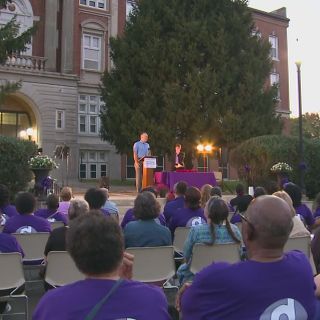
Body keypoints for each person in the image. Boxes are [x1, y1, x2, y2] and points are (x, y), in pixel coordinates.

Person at [178, 195, 317, 319]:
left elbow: (188, 309)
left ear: (248, 231)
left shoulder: (216, 277)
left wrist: (189, 294)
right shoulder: (302, 265)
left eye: (245, 219)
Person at [33, 212, 170, 320]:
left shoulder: (52, 304)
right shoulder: (154, 299)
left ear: (73, 256)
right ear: (121, 250)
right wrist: (127, 284)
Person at [177, 197, 241, 284]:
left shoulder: (196, 231)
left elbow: (186, 254)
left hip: (198, 275)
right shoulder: (235, 230)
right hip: (227, 275)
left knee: (182, 270)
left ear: (207, 212)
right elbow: (239, 255)